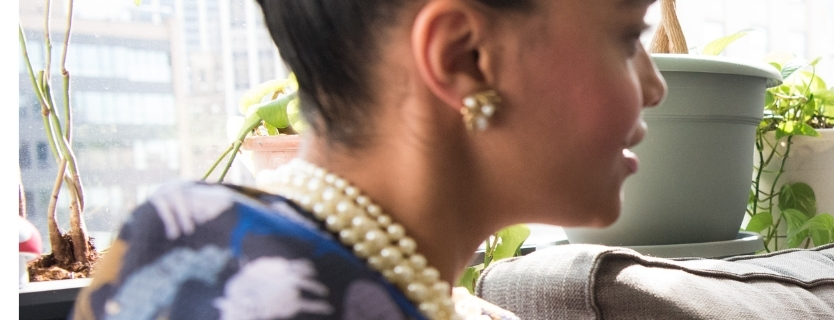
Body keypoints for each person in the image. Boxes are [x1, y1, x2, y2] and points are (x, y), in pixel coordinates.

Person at [71, 0, 665, 319]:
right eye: (629, 36)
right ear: (465, 57)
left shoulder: (185, 239)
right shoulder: (256, 295)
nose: (656, 87)